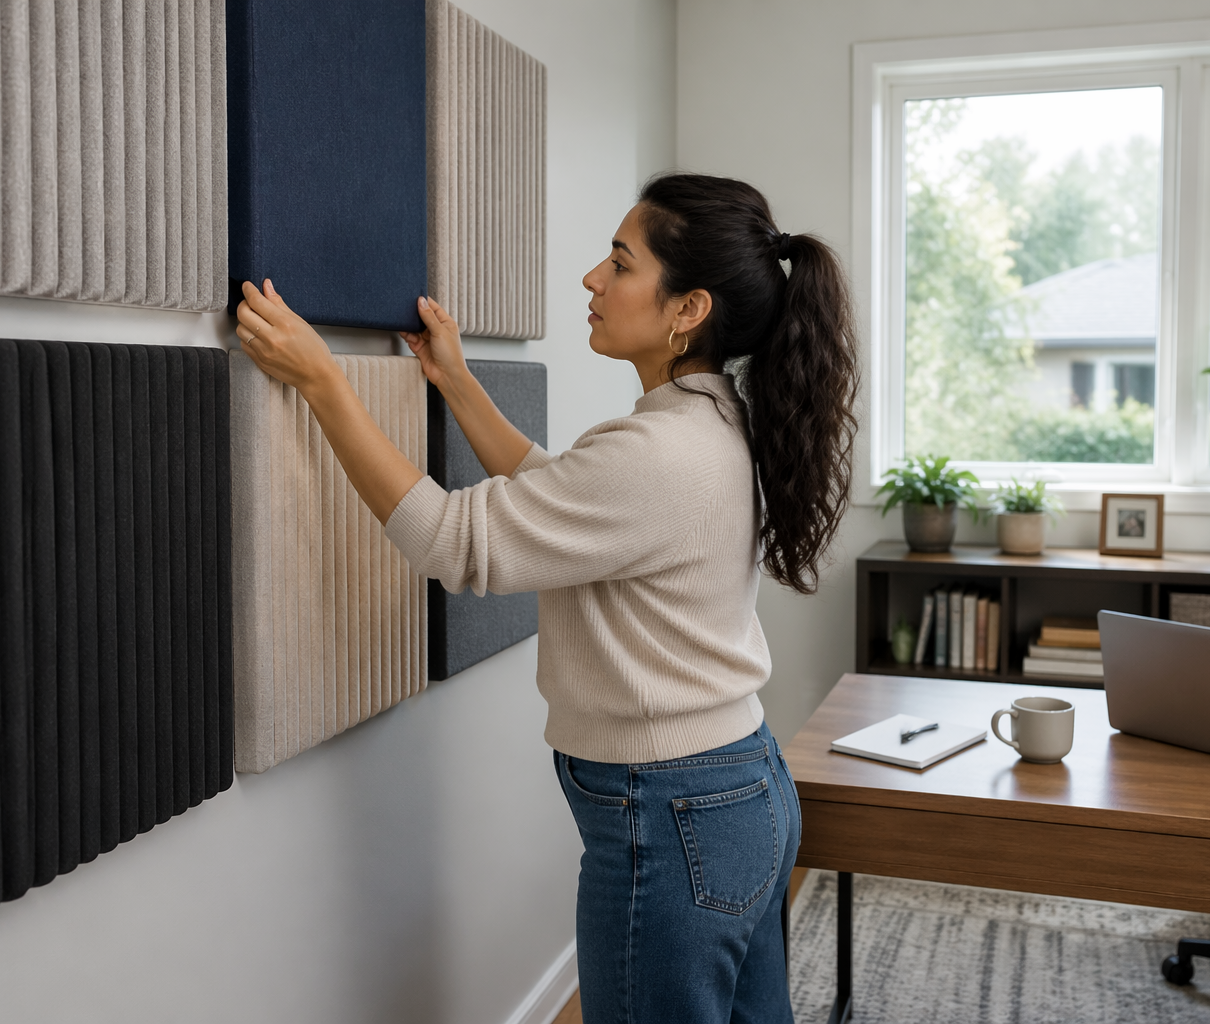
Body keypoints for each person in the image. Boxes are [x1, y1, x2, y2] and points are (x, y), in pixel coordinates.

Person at [234, 173, 858, 1024]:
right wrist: (455, 383)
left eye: (620, 262)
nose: (592, 281)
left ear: (687, 310)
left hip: (673, 814)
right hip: (738, 791)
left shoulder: (658, 452)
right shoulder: (711, 426)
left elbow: (455, 542)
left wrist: (324, 385)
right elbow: (561, 500)